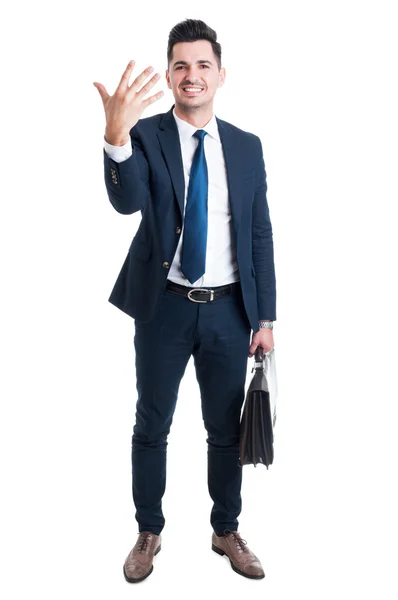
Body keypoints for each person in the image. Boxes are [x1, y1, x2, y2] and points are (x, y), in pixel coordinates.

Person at [94, 18, 277, 583]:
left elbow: (259, 233)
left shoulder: (247, 148)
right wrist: (116, 137)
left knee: (225, 429)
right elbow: (127, 205)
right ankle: (149, 530)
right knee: (152, 422)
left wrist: (265, 316)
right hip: (164, 307)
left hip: (229, 311)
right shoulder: (146, 135)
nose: (191, 75)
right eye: (180, 66)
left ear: (221, 74)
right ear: (171, 77)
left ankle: (226, 530)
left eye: (202, 65)